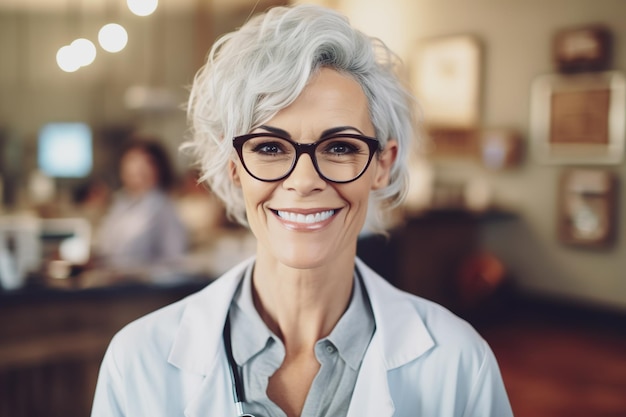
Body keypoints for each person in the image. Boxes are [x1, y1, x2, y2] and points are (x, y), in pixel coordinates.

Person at [91, 5, 513, 417]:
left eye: (340, 147)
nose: (305, 180)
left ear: (382, 165)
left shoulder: (459, 364)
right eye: (270, 147)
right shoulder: (137, 362)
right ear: (234, 165)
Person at [93, 138, 188, 270]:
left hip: (143, 286)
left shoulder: (163, 207)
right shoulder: (120, 202)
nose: (138, 169)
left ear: (159, 168)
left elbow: (174, 258)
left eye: (146, 162)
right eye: (132, 161)